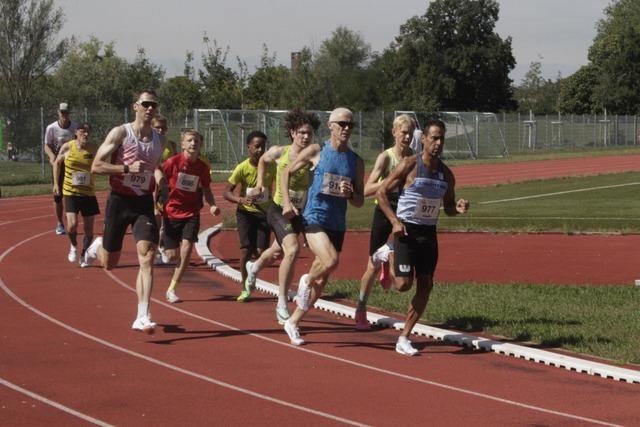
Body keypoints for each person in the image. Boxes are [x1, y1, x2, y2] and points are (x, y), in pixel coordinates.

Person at [375, 118, 469, 356]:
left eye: (441, 139)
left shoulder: (446, 175)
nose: (438, 143)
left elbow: (447, 207)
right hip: (406, 231)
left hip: (428, 234)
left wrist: (457, 208)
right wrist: (395, 222)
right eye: (434, 138)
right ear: (424, 139)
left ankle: (404, 337)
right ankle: (388, 254)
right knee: (403, 285)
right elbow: (381, 192)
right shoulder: (409, 164)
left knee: (426, 285)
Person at [83, 89, 165, 334]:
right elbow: (96, 166)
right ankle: (96, 247)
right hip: (119, 201)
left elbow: (155, 168)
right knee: (110, 263)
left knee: (147, 254)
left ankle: (142, 315)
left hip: (142, 203)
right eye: (146, 104)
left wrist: (162, 183)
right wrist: (126, 168)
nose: (150, 108)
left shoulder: (158, 140)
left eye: (154, 105)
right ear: (135, 106)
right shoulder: (121, 133)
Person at [281, 107, 365, 346]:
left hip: (337, 223)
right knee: (331, 261)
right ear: (331, 126)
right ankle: (305, 280)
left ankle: (293, 322)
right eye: (342, 124)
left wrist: (351, 194)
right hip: (314, 217)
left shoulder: (356, 161)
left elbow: (359, 201)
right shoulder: (317, 151)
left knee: (322, 281)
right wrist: (287, 202)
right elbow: (287, 171)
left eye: (350, 125)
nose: (347, 128)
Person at [239, 109, 321, 326]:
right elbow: (263, 161)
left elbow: (320, 164)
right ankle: (282, 303)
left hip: (298, 211)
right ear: (292, 132)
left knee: (276, 252)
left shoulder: (312, 155)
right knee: (292, 249)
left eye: (310, 133)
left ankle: (253, 268)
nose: (305, 137)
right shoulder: (279, 152)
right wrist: (260, 184)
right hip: (277, 209)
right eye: (302, 132)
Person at [354, 114, 415, 330]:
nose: (407, 136)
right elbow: (366, 189)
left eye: (410, 132)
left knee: (405, 258)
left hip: (403, 214)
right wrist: (389, 182)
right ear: (394, 132)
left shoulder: (413, 159)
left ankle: (387, 258)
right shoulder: (386, 158)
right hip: (382, 210)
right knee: (371, 264)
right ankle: (361, 308)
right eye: (403, 132)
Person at [161, 129, 220, 303]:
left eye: (196, 141)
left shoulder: (202, 167)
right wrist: (157, 201)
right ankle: (163, 240)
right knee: (172, 255)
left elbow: (207, 189)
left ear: (200, 144)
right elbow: (157, 179)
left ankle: (172, 288)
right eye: (189, 140)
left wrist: (213, 205)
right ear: (183, 144)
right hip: (171, 211)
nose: (193, 143)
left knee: (187, 249)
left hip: (192, 212)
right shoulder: (172, 162)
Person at [223, 131, 275, 299]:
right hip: (245, 213)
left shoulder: (272, 166)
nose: (260, 150)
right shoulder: (242, 167)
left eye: (263, 146)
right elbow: (226, 192)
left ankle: (252, 271)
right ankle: (244, 287)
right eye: (257, 146)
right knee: (245, 249)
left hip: (264, 213)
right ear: (249, 147)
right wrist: (240, 199)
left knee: (261, 251)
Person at [52, 123, 99, 266]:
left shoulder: (93, 148)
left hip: (88, 193)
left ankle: (84, 253)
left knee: (89, 229)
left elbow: (102, 163)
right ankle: (73, 246)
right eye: (82, 131)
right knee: (72, 226)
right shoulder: (67, 147)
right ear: (76, 133)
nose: (85, 134)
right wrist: (55, 183)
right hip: (70, 191)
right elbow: (56, 163)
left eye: (87, 132)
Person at [44, 103, 78, 235]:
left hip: (72, 165)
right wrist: (52, 156)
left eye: (66, 112)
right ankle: (60, 223)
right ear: (58, 113)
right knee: (58, 194)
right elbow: (46, 145)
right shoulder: (51, 128)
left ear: (69, 113)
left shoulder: (75, 127)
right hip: (58, 165)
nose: (64, 115)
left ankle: (73, 221)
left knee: (74, 193)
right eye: (62, 112)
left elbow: (79, 143)